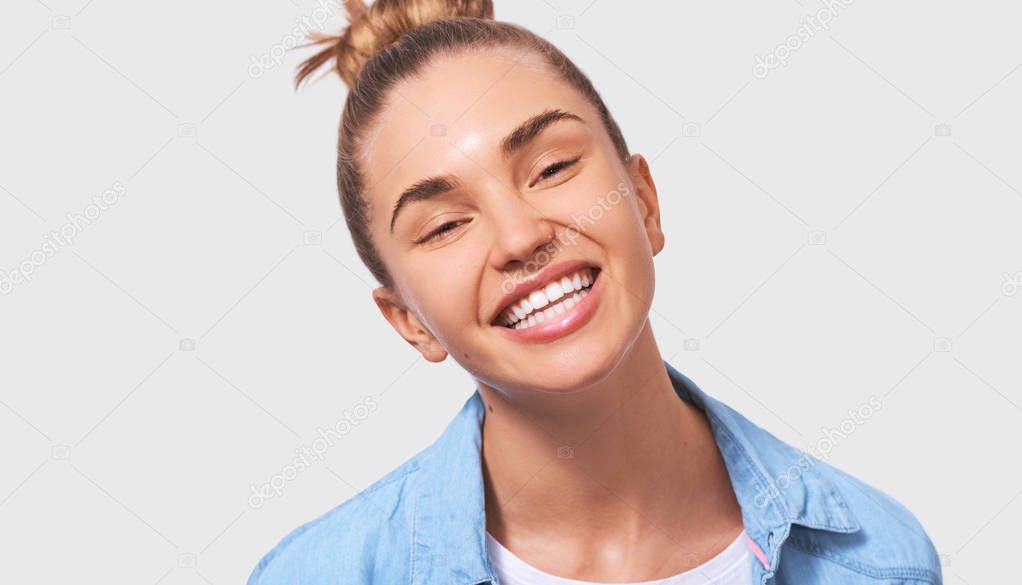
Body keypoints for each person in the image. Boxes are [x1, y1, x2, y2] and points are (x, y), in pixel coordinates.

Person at [247, 0, 942, 583]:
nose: (519, 236)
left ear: (643, 201)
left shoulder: (878, 558)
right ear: (409, 321)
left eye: (550, 168)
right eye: (446, 225)